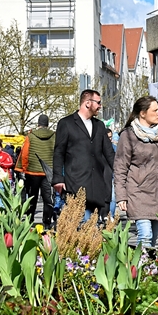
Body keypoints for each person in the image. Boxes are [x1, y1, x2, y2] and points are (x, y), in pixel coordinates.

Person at [114, 95, 158, 247]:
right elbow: (120, 167)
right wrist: (121, 197)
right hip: (138, 192)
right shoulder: (128, 135)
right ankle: (138, 268)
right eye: (155, 110)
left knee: (152, 238)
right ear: (143, 113)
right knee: (145, 235)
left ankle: (148, 268)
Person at [52, 89, 115, 222]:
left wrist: (121, 173)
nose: (100, 106)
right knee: (80, 224)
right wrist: (58, 178)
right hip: (75, 183)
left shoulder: (99, 125)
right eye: (98, 102)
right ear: (87, 103)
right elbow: (59, 152)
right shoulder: (66, 123)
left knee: (93, 227)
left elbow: (110, 154)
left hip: (97, 186)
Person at [14, 114, 55, 229]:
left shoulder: (30, 136)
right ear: (47, 124)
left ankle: (30, 220)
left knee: (32, 196)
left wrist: (24, 169)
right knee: (48, 198)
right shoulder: (54, 136)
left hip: (32, 172)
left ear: (38, 124)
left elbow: (25, 154)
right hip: (48, 171)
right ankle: (46, 222)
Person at [0, 139, 14, 208]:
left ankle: (3, 206)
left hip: (4, 177)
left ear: (1, 148)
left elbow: (10, 163)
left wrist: (1, 164)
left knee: (3, 192)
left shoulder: (6, 155)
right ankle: (0, 205)